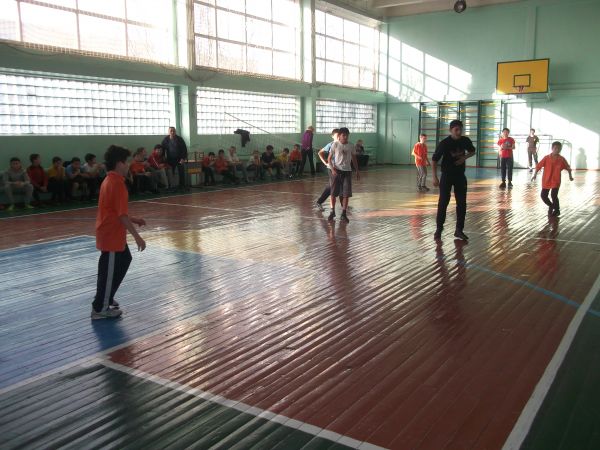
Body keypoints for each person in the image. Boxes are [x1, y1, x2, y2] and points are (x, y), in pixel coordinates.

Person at [92, 145, 146, 319]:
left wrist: (134, 219)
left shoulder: (110, 180)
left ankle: (107, 296)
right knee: (107, 272)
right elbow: (121, 215)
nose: (128, 165)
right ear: (119, 163)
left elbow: (117, 211)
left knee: (124, 259)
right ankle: (99, 308)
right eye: (126, 162)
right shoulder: (116, 184)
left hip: (112, 234)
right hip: (111, 235)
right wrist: (137, 237)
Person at [431, 119, 476, 241]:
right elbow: (434, 160)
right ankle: (439, 229)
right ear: (451, 130)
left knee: (462, 204)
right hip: (447, 176)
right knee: (443, 202)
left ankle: (459, 230)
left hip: (460, 176)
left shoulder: (465, 140)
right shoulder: (444, 143)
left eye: (460, 129)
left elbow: (472, 151)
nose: (459, 132)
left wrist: (464, 158)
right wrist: (434, 177)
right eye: (456, 130)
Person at [531, 141, 573, 216]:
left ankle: (557, 210)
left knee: (554, 195)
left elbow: (568, 168)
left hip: (556, 180)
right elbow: (538, 166)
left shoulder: (561, 159)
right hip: (546, 180)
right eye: (555, 148)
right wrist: (534, 175)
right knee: (543, 196)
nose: (557, 150)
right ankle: (551, 205)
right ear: (552, 148)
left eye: (559, 149)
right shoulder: (546, 158)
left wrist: (570, 176)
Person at [327, 127, 360, 223]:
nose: (345, 137)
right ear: (339, 136)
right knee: (333, 193)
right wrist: (332, 169)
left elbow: (354, 159)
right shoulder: (335, 144)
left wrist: (357, 170)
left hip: (347, 172)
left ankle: (344, 214)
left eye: (347, 135)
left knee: (346, 194)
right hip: (337, 171)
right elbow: (329, 159)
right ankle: (332, 211)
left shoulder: (351, 145)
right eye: (343, 135)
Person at [314, 128, 339, 211]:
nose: (338, 137)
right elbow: (320, 152)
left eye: (339, 135)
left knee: (332, 185)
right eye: (337, 135)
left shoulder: (343, 144)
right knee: (332, 186)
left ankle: (319, 202)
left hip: (340, 168)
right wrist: (325, 162)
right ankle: (319, 202)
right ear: (332, 136)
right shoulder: (330, 144)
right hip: (331, 168)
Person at [161, 126, 188, 191]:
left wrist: (183, 158)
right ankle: (171, 186)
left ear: (175, 132)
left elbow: (184, 149)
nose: (172, 132)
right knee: (170, 172)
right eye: (171, 131)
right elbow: (162, 149)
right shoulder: (165, 140)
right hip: (170, 159)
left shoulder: (179, 139)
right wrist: (163, 157)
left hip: (179, 158)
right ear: (168, 132)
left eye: (174, 131)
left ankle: (182, 185)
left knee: (181, 172)